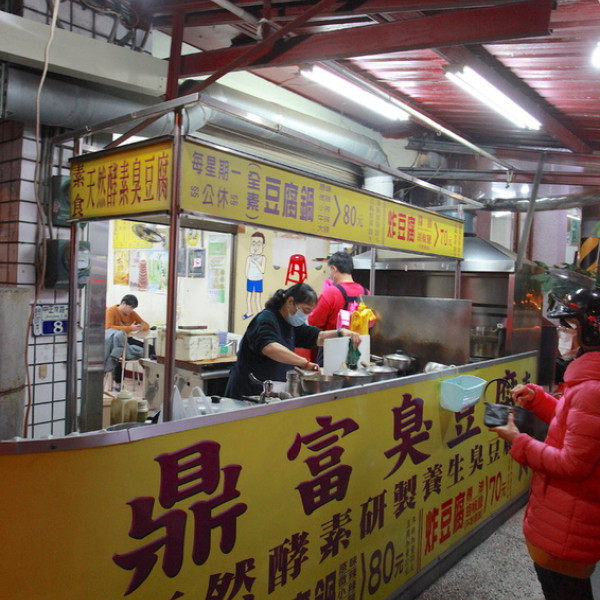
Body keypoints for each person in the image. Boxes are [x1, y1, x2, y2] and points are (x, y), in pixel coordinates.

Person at [488, 287, 600, 600]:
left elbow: (572, 464)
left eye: (569, 326)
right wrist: (539, 400)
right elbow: (578, 425)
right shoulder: (589, 382)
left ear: (591, 331)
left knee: (564, 591)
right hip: (570, 517)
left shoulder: (592, 389)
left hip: (569, 524)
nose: (562, 332)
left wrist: (518, 440)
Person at [225, 282, 362, 400]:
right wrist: (304, 363)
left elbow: (318, 337)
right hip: (248, 391)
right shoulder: (265, 319)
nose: (305, 316)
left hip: (269, 391)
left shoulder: (290, 325)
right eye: (305, 310)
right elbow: (270, 348)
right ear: (290, 302)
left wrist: (341, 332)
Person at [308, 251, 369, 364]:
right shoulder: (367, 293)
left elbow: (314, 323)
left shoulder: (330, 293)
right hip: (359, 349)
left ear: (334, 269)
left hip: (332, 351)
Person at [105, 294, 150, 385]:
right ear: (123, 303)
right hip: (114, 341)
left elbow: (146, 324)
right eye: (130, 307)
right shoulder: (111, 311)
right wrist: (130, 328)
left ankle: (149, 379)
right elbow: (108, 327)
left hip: (128, 339)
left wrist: (141, 327)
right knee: (120, 352)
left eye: (133, 308)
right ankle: (118, 383)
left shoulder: (132, 314)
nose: (131, 310)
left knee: (150, 349)